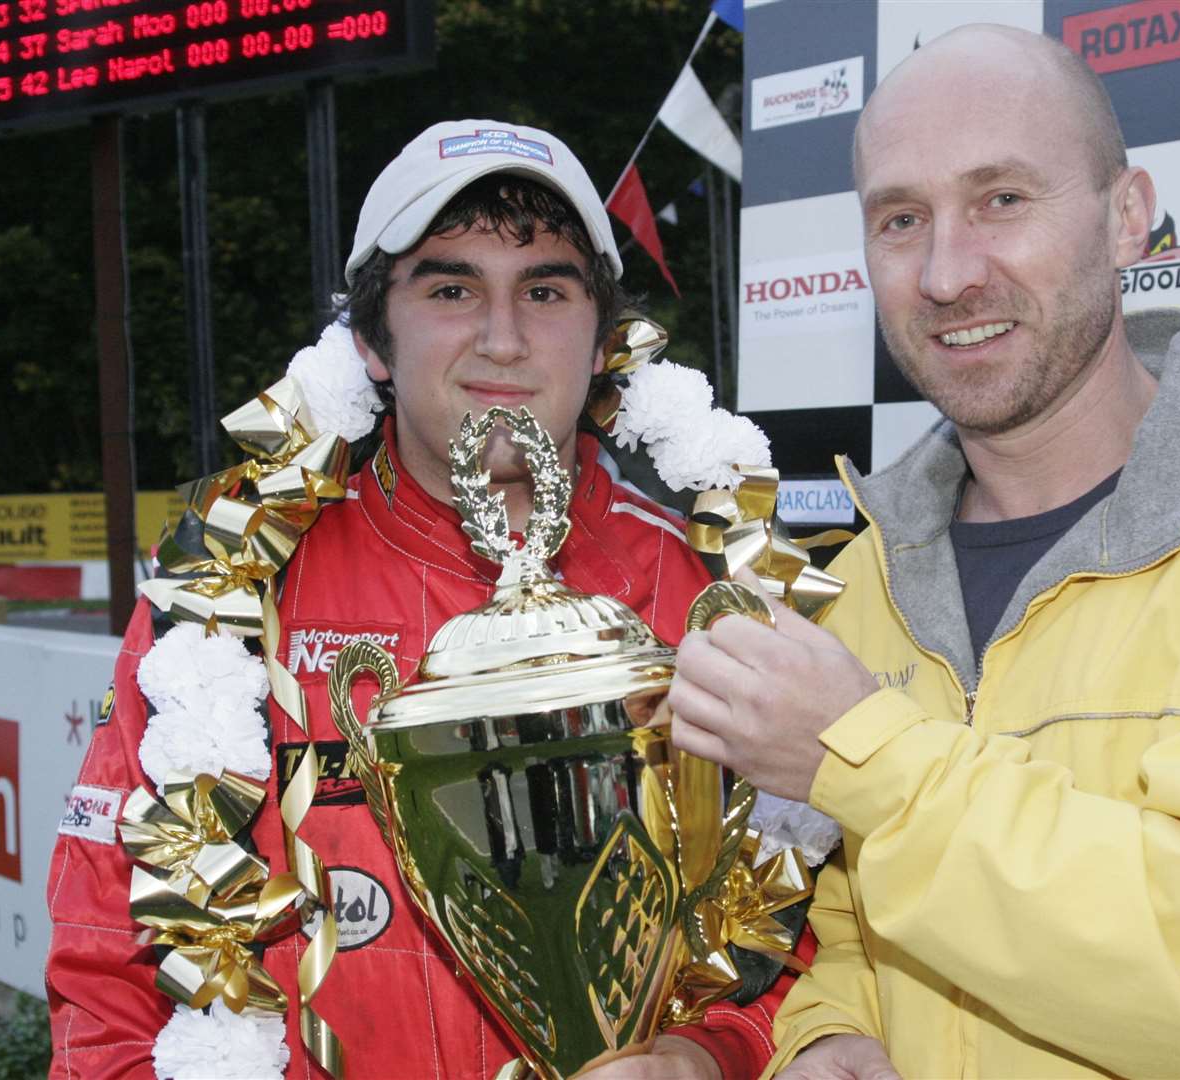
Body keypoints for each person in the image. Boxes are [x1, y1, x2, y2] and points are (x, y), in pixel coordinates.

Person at [668, 24, 1180, 1080]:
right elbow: (857, 926)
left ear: (1126, 220)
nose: (945, 272)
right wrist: (835, 1029)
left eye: (1002, 201)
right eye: (900, 219)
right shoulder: (870, 583)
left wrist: (868, 755)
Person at [46, 118, 796, 1080]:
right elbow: (106, 959)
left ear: (605, 338)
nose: (503, 337)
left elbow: (802, 923)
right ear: (371, 341)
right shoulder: (227, 601)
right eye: (451, 289)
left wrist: (708, 1056)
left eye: (546, 289)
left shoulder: (710, 596)